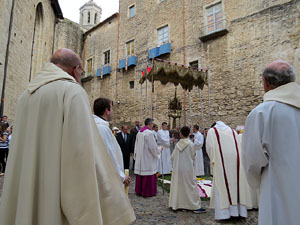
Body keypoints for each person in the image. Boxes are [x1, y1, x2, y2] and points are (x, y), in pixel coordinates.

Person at [0, 48, 135, 225]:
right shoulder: (72, 91)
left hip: (25, 191)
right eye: (81, 71)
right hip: (54, 195)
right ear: (76, 69)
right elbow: (80, 156)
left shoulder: (25, 97)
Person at [242, 60, 300, 225]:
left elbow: (252, 160)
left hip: (277, 189)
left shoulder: (261, 113)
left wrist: (257, 182)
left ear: (266, 83)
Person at [206, 121, 251, 220]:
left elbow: (210, 147)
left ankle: (224, 214)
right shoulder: (232, 131)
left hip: (221, 161)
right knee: (236, 186)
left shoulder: (212, 131)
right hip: (235, 161)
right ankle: (238, 212)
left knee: (222, 186)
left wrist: (213, 160)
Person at [93, 97, 130, 186]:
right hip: (107, 178)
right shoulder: (102, 128)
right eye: (111, 108)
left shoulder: (96, 125)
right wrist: (122, 176)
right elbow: (109, 155)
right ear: (107, 110)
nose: (113, 111)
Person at [169, 126, 206, 213]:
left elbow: (173, 156)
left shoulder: (178, 145)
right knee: (190, 187)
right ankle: (194, 206)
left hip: (178, 170)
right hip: (188, 169)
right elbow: (193, 156)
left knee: (180, 187)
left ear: (181, 134)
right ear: (189, 133)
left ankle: (179, 204)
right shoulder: (190, 144)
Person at [134, 118, 161, 197]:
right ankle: (147, 191)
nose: (153, 125)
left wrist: (136, 155)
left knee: (141, 173)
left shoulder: (140, 132)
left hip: (140, 157)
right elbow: (152, 147)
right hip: (147, 157)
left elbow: (136, 145)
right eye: (152, 124)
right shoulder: (149, 133)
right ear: (150, 124)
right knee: (148, 173)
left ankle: (139, 190)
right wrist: (159, 149)